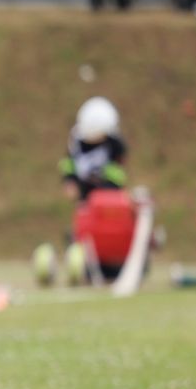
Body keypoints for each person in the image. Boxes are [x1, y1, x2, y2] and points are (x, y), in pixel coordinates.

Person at [38, 96, 133, 285]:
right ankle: (83, 267)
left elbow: (118, 174)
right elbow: (68, 165)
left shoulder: (115, 145)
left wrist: (102, 183)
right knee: (82, 232)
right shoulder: (77, 142)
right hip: (85, 201)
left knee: (110, 234)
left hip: (108, 202)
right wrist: (70, 182)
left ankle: (113, 266)